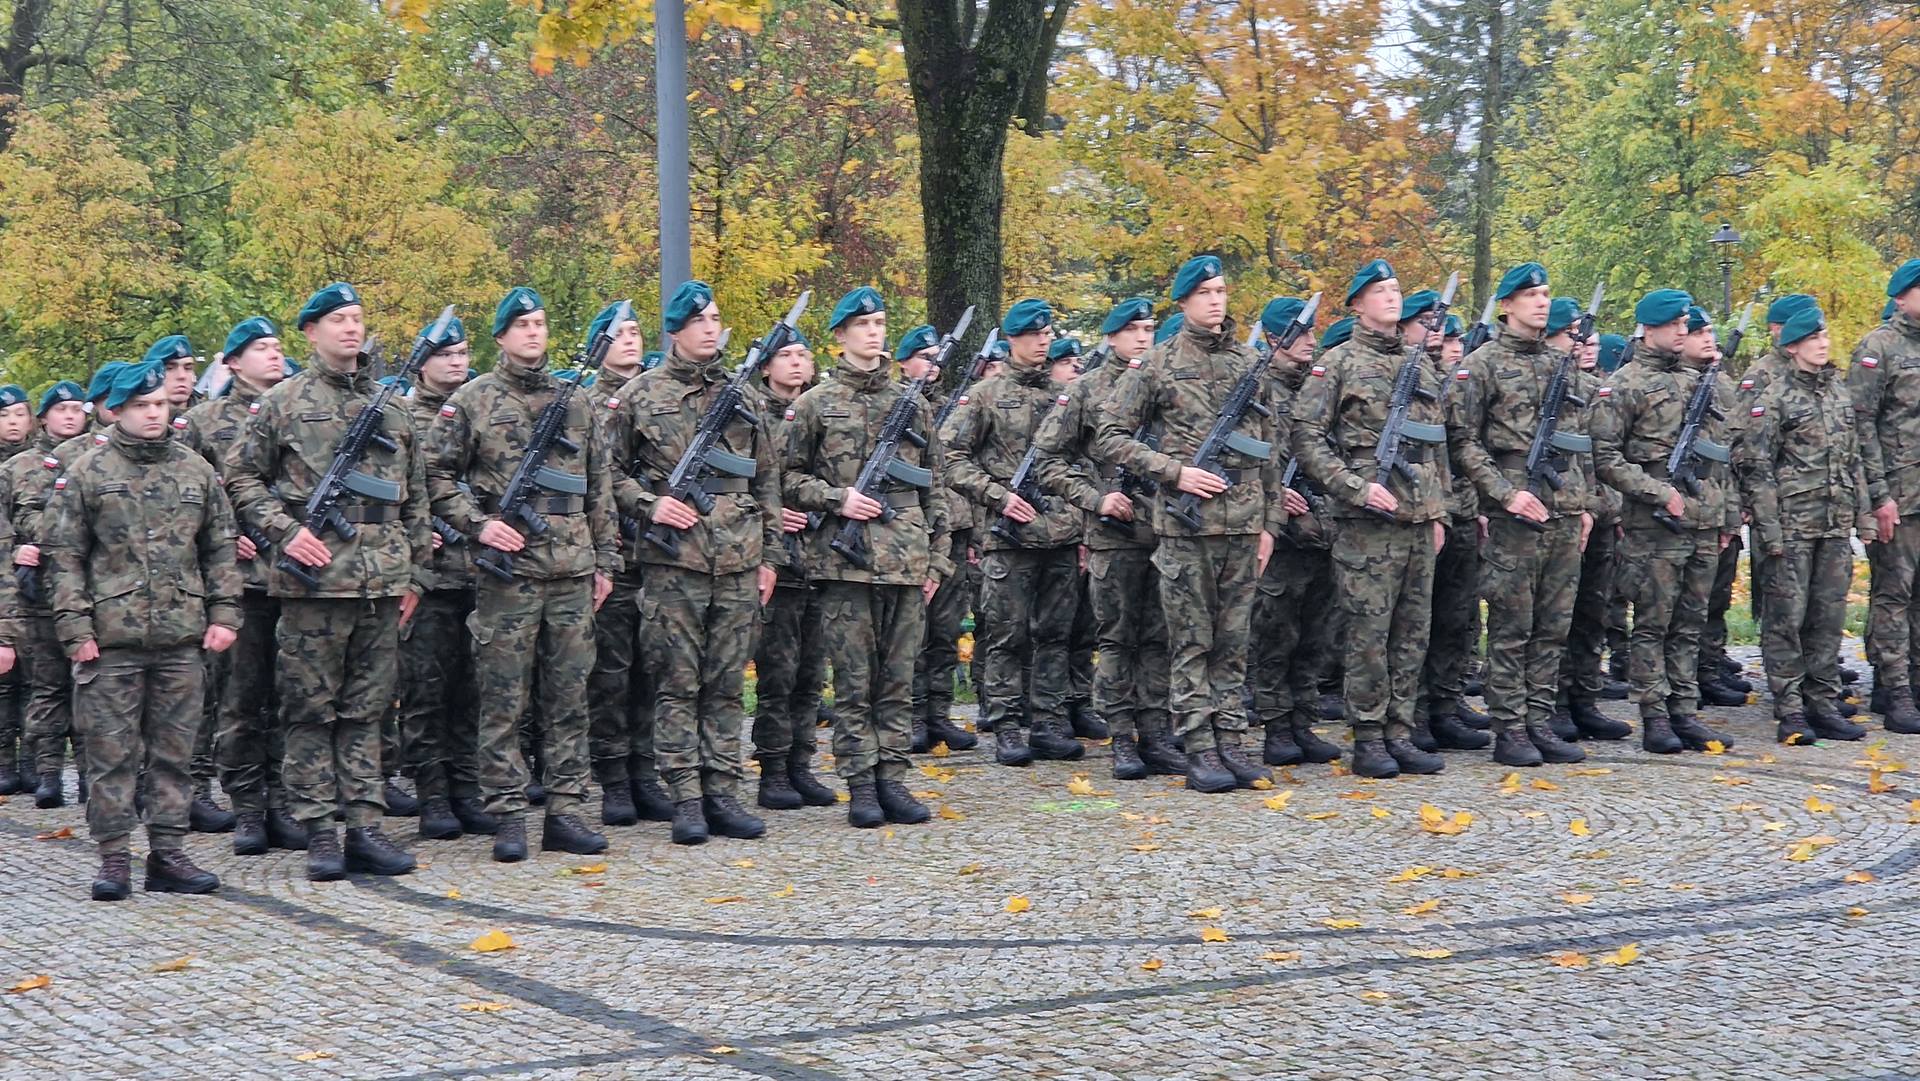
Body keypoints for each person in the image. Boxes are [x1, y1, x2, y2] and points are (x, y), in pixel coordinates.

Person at [225, 281, 424, 880]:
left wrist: (414, 570)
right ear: (310, 332)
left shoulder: (395, 404)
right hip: (313, 583)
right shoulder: (284, 401)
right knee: (311, 710)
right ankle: (318, 831)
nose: (350, 328)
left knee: (368, 710)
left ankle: (364, 825)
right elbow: (240, 479)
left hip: (382, 580)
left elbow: (414, 496)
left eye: (358, 318)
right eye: (337, 319)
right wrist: (283, 533)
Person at [428, 286, 617, 861]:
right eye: (522, 324)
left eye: (540, 322)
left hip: (571, 570)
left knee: (568, 697)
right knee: (504, 698)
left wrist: (606, 560)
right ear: (502, 336)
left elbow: (599, 487)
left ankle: (565, 810)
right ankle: (508, 813)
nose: (534, 332)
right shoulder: (472, 400)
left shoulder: (577, 400)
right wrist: (478, 524)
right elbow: (434, 476)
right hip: (508, 573)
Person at [44, 358, 241, 900]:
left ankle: (168, 852)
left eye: (160, 405)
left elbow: (221, 547)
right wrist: (75, 627)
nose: (154, 414)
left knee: (175, 752)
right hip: (111, 639)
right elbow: (64, 556)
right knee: (110, 752)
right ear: (120, 411)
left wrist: (225, 614)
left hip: (181, 635)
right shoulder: (89, 471)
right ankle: (113, 858)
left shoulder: (195, 470)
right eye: (142, 406)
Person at [1097, 256, 1285, 792]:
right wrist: (1174, 472)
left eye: (1222, 290)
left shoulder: (1251, 364)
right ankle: (1198, 746)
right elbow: (1111, 435)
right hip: (1186, 527)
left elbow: (1270, 451)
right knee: (1191, 641)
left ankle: (1231, 741)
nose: (1216, 300)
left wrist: (1270, 522)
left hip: (1244, 525)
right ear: (1183, 302)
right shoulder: (1157, 364)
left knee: (1234, 641)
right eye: (1204, 292)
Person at [607, 280, 783, 845]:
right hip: (673, 563)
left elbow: (769, 479)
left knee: (727, 683)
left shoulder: (745, 396)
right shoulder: (640, 395)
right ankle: (684, 795)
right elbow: (607, 474)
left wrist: (770, 556)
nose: (711, 327)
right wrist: (649, 503)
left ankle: (722, 790)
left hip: (737, 559)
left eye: (715, 317)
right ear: (676, 331)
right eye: (699, 320)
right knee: (677, 684)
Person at [783, 286, 951, 827]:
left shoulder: (914, 403)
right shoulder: (814, 404)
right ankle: (860, 783)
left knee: (898, 680)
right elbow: (785, 478)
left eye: (880, 322)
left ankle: (893, 780)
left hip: (905, 560)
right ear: (840, 337)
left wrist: (937, 561)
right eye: (863, 324)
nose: (874, 332)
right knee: (855, 682)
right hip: (845, 563)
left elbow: (937, 489)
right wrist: (838, 499)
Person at [1293, 259, 1451, 778]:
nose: (1391, 295)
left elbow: (1437, 445)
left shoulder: (1420, 362)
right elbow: (1307, 438)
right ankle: (1368, 736)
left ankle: (1400, 732)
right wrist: (1355, 488)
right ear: (1357, 304)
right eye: (1380, 290)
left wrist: (1438, 510)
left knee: (1411, 633)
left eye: (1396, 288)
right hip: (1367, 524)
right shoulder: (1335, 363)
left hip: (1417, 520)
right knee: (1368, 633)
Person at [1447, 267, 1595, 766]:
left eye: (1546, 294)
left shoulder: (1564, 365)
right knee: (1513, 624)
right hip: (1516, 512)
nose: (1541, 303)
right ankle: (1509, 726)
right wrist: (1504, 495)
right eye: (1531, 295)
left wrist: (1586, 502)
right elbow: (1463, 442)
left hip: (1564, 509)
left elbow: (1582, 442)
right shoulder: (1481, 365)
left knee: (1555, 625)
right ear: (1506, 305)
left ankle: (1539, 718)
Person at [1034, 298, 1184, 779]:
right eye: (1133, 329)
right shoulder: (1085, 389)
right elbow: (1048, 462)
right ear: (1112, 336)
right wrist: (1096, 499)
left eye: (1150, 328)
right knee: (1118, 638)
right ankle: (1122, 736)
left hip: (1170, 526)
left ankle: (1157, 733)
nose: (1144, 337)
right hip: (1114, 533)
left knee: (1160, 636)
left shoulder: (1169, 379)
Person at [1590, 288, 1739, 754]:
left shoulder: (1700, 382)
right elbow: (1605, 456)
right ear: (1650, 328)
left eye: (1686, 325)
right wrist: (1658, 492)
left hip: (1702, 520)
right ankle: (1654, 714)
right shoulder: (1625, 384)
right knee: (1654, 622)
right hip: (1654, 525)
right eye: (1675, 325)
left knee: (1691, 623)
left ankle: (1684, 711)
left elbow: (1722, 457)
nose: (1683, 332)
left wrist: (1723, 517)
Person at [943, 298, 1088, 768]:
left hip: (1062, 534)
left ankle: (1047, 720)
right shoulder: (986, 395)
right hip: (1010, 536)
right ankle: (1005, 722)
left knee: (1055, 635)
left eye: (1048, 333)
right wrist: (998, 496)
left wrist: (1082, 520)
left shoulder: (1066, 395)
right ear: (1012, 339)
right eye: (1034, 334)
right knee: (1006, 634)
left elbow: (1084, 460)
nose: (1044, 340)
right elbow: (949, 458)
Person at [184, 318, 301, 853]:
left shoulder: (301, 407)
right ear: (232, 362)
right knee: (242, 698)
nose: (273, 355)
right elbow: (185, 499)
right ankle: (248, 806)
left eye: (278, 347)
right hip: (244, 584)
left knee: (292, 698)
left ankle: (285, 800)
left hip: (304, 578)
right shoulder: (202, 422)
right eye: (260, 348)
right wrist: (226, 537)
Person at [1738, 305, 1871, 744]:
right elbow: (1756, 467)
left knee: (1828, 617)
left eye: (1825, 335)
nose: (1823, 343)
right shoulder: (1773, 397)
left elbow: (1853, 461)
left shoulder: (1839, 393)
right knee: (1785, 619)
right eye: (1812, 338)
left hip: (1834, 523)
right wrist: (1769, 528)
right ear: (1792, 346)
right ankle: (1790, 708)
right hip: (1792, 525)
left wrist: (1864, 514)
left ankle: (1823, 702)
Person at [396, 315, 490, 840]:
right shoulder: (402, 415)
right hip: (430, 577)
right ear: (422, 363)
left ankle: (467, 787)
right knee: (426, 689)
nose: (456, 363)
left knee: (473, 689)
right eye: (445, 355)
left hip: (480, 569)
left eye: (461, 355)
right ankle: (431, 792)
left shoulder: (481, 408)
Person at [582, 302, 675, 825]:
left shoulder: (659, 396)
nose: (632, 341)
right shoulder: (586, 403)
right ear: (600, 344)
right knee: (611, 672)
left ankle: (646, 770)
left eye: (638, 332)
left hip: (660, 553)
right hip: (615, 553)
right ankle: (614, 776)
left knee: (651, 669)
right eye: (619, 334)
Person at [1246, 296, 1344, 768]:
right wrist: (1272, 494)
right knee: (1274, 632)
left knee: (1315, 634)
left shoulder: (1321, 384)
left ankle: (1303, 721)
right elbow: (1244, 451)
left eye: (1310, 332)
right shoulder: (1256, 385)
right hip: (1280, 531)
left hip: (1323, 525)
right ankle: (1276, 726)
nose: (1308, 340)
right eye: (1298, 332)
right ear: (1272, 338)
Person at [750, 326, 837, 809]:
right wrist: (769, 512)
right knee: (777, 674)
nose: (797, 363)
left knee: (810, 674)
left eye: (803, 354)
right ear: (766, 366)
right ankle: (773, 769)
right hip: (777, 563)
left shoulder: (822, 409)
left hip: (821, 556)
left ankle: (801, 764)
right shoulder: (745, 411)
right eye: (785, 355)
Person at [898, 324, 982, 756]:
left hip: (955, 528)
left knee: (947, 630)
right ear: (903, 362)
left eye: (937, 356)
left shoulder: (953, 405)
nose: (933, 364)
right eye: (923, 356)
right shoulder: (897, 407)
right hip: (912, 530)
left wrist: (972, 535)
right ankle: (911, 715)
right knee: (914, 631)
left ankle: (939, 713)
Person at [0, 381, 82, 804]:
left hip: (87, 594)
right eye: (60, 409)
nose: (69, 417)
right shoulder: (19, 468)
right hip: (34, 595)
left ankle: (86, 775)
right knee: (39, 686)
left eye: (76, 409)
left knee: (88, 687)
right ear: (46, 417)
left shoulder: (98, 457)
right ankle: (42, 770)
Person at [1850, 261, 1920, 733]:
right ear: (1901, 297)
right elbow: (1859, 426)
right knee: (1894, 595)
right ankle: (1894, 690)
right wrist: (1878, 496)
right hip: (1900, 492)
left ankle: (1913, 681)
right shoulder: (1879, 348)